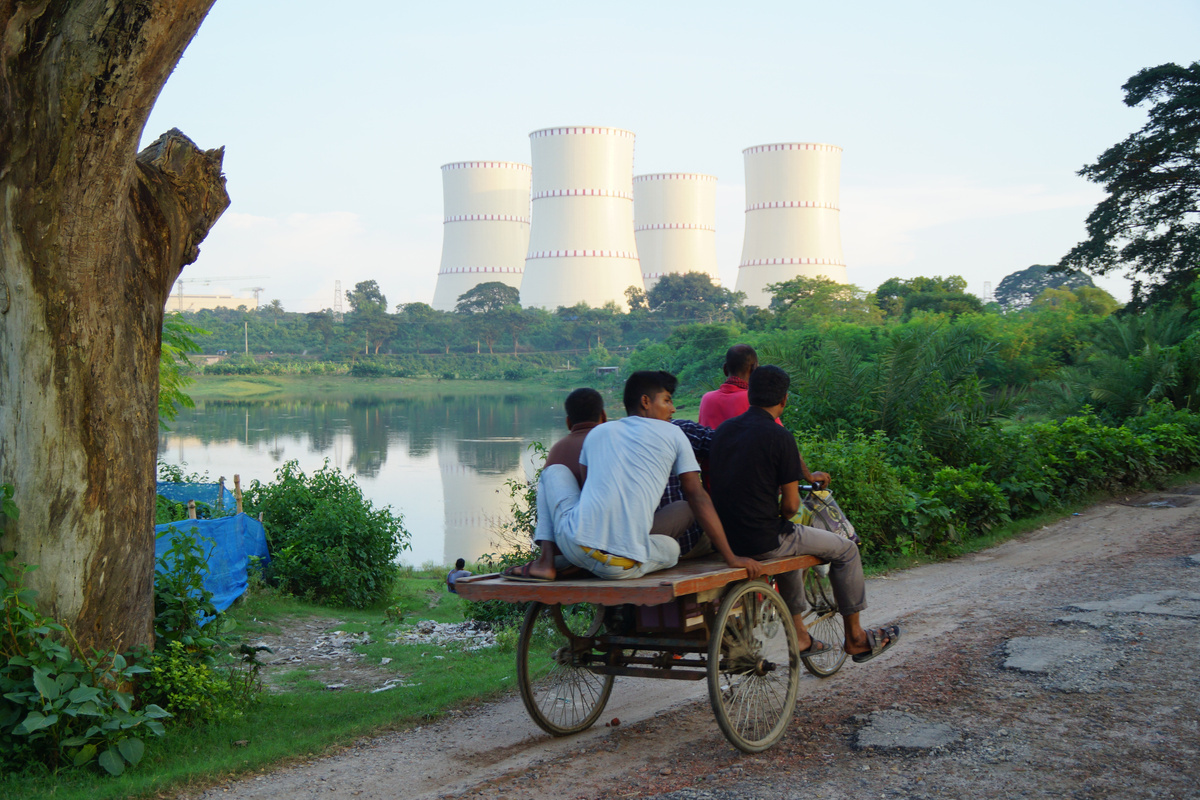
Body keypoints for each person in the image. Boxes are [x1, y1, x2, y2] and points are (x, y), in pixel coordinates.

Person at [708, 365, 900, 663]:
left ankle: (799, 634)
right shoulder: (779, 436)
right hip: (763, 540)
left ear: (750, 396)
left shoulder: (723, 432)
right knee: (846, 550)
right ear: (784, 400)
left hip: (723, 539)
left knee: (789, 551)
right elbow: (791, 507)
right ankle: (856, 639)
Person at [511, 371, 763, 582]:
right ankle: (593, 558)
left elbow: (589, 490)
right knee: (672, 549)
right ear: (645, 401)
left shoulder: (599, 433)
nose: (672, 409)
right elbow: (697, 496)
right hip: (620, 564)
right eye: (667, 400)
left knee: (553, 473)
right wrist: (731, 557)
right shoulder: (674, 434)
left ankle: (546, 562)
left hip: (574, 542)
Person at [503, 388, 605, 581]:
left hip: (566, 555)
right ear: (604, 417)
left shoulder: (558, 449)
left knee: (549, 475)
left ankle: (545, 559)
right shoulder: (611, 445)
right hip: (611, 551)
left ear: (568, 422)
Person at [698, 344, 759, 429]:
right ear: (754, 369)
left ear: (725, 369)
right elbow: (777, 433)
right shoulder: (755, 399)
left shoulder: (706, 399)